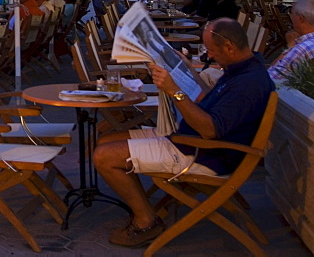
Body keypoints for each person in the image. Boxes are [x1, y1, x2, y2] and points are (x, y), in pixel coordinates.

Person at [93, 18, 274, 247]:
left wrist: (174, 90)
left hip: (204, 153)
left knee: (104, 157)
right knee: (106, 140)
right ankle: (145, 209)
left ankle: (145, 221)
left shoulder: (247, 84)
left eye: (211, 50)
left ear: (229, 46)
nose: (209, 55)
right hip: (189, 139)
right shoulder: (242, 69)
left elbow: (209, 129)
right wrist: (187, 71)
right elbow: (209, 100)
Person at [269, 0, 314, 81]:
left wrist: (290, 47)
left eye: (291, 13)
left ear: (300, 18)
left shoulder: (301, 49)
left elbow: (271, 79)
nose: (290, 17)